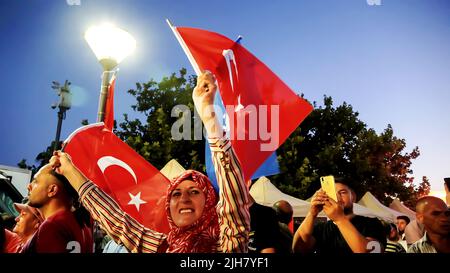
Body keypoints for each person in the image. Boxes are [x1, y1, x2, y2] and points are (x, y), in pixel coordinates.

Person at [49, 71, 251, 253]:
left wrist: (209, 117)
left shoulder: (228, 244)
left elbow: (232, 191)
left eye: (195, 191)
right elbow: (118, 223)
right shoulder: (162, 248)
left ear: (209, 202)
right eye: (176, 194)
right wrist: (69, 171)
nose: (184, 199)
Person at [292, 177, 386, 253]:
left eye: (342, 192)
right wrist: (312, 213)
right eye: (332, 194)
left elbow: (371, 251)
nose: (337, 197)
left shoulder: (371, 223)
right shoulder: (321, 228)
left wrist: (340, 219)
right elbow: (298, 248)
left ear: (353, 197)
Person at [21, 164, 94, 253]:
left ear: (52, 190)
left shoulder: (51, 225)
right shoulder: (83, 223)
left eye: (35, 181)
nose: (29, 186)